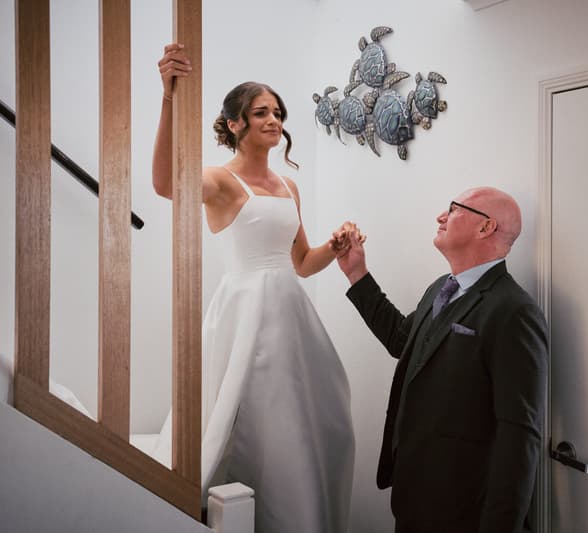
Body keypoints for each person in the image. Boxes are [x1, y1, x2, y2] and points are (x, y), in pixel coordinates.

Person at [151, 43, 356, 533]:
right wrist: (168, 99)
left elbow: (304, 263)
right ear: (236, 124)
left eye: (278, 113)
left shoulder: (289, 186)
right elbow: (163, 185)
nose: (274, 120)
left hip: (291, 313)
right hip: (243, 311)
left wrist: (339, 244)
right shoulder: (219, 182)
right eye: (261, 112)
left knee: (312, 418)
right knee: (243, 416)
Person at [336, 187, 549, 533]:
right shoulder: (441, 288)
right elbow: (402, 341)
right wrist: (356, 273)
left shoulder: (514, 311)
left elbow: (520, 437)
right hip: (415, 497)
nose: (441, 217)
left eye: (454, 209)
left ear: (485, 228)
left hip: (466, 510)